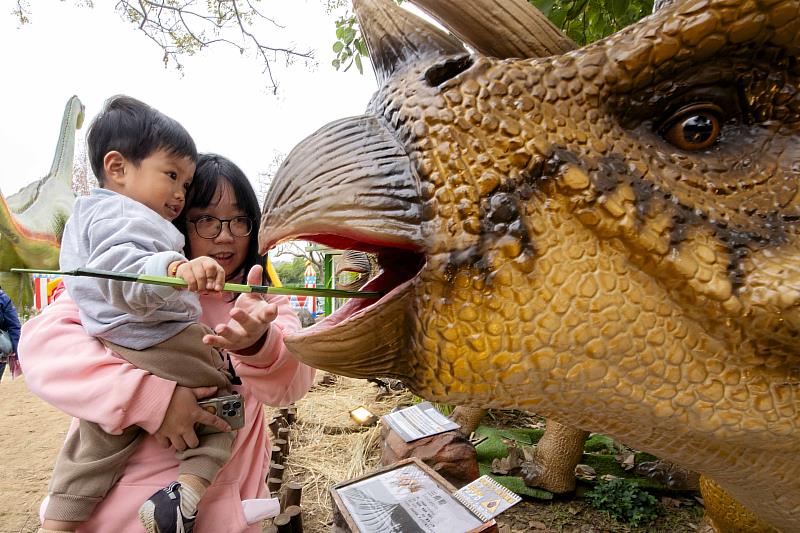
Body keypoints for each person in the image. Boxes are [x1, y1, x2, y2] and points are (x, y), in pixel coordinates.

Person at [19, 151, 314, 533]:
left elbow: (291, 387)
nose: (225, 235)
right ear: (175, 221)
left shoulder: (262, 300)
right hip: (118, 514)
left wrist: (258, 346)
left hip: (223, 515)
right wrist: (153, 400)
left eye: (239, 220)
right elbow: (44, 349)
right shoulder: (119, 285)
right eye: (205, 219)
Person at [36, 95, 239, 533]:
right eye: (172, 175)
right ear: (118, 168)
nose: (179, 194)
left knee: (94, 445)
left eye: (185, 183)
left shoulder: (89, 216)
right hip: (160, 340)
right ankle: (180, 498)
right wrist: (175, 268)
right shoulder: (127, 216)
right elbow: (126, 268)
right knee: (223, 411)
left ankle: (56, 523)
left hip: (116, 346)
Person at [0, 284, 21, 382]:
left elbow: (14, 327)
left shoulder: (3, 299)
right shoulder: (3, 298)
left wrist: (17, 353)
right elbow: (14, 326)